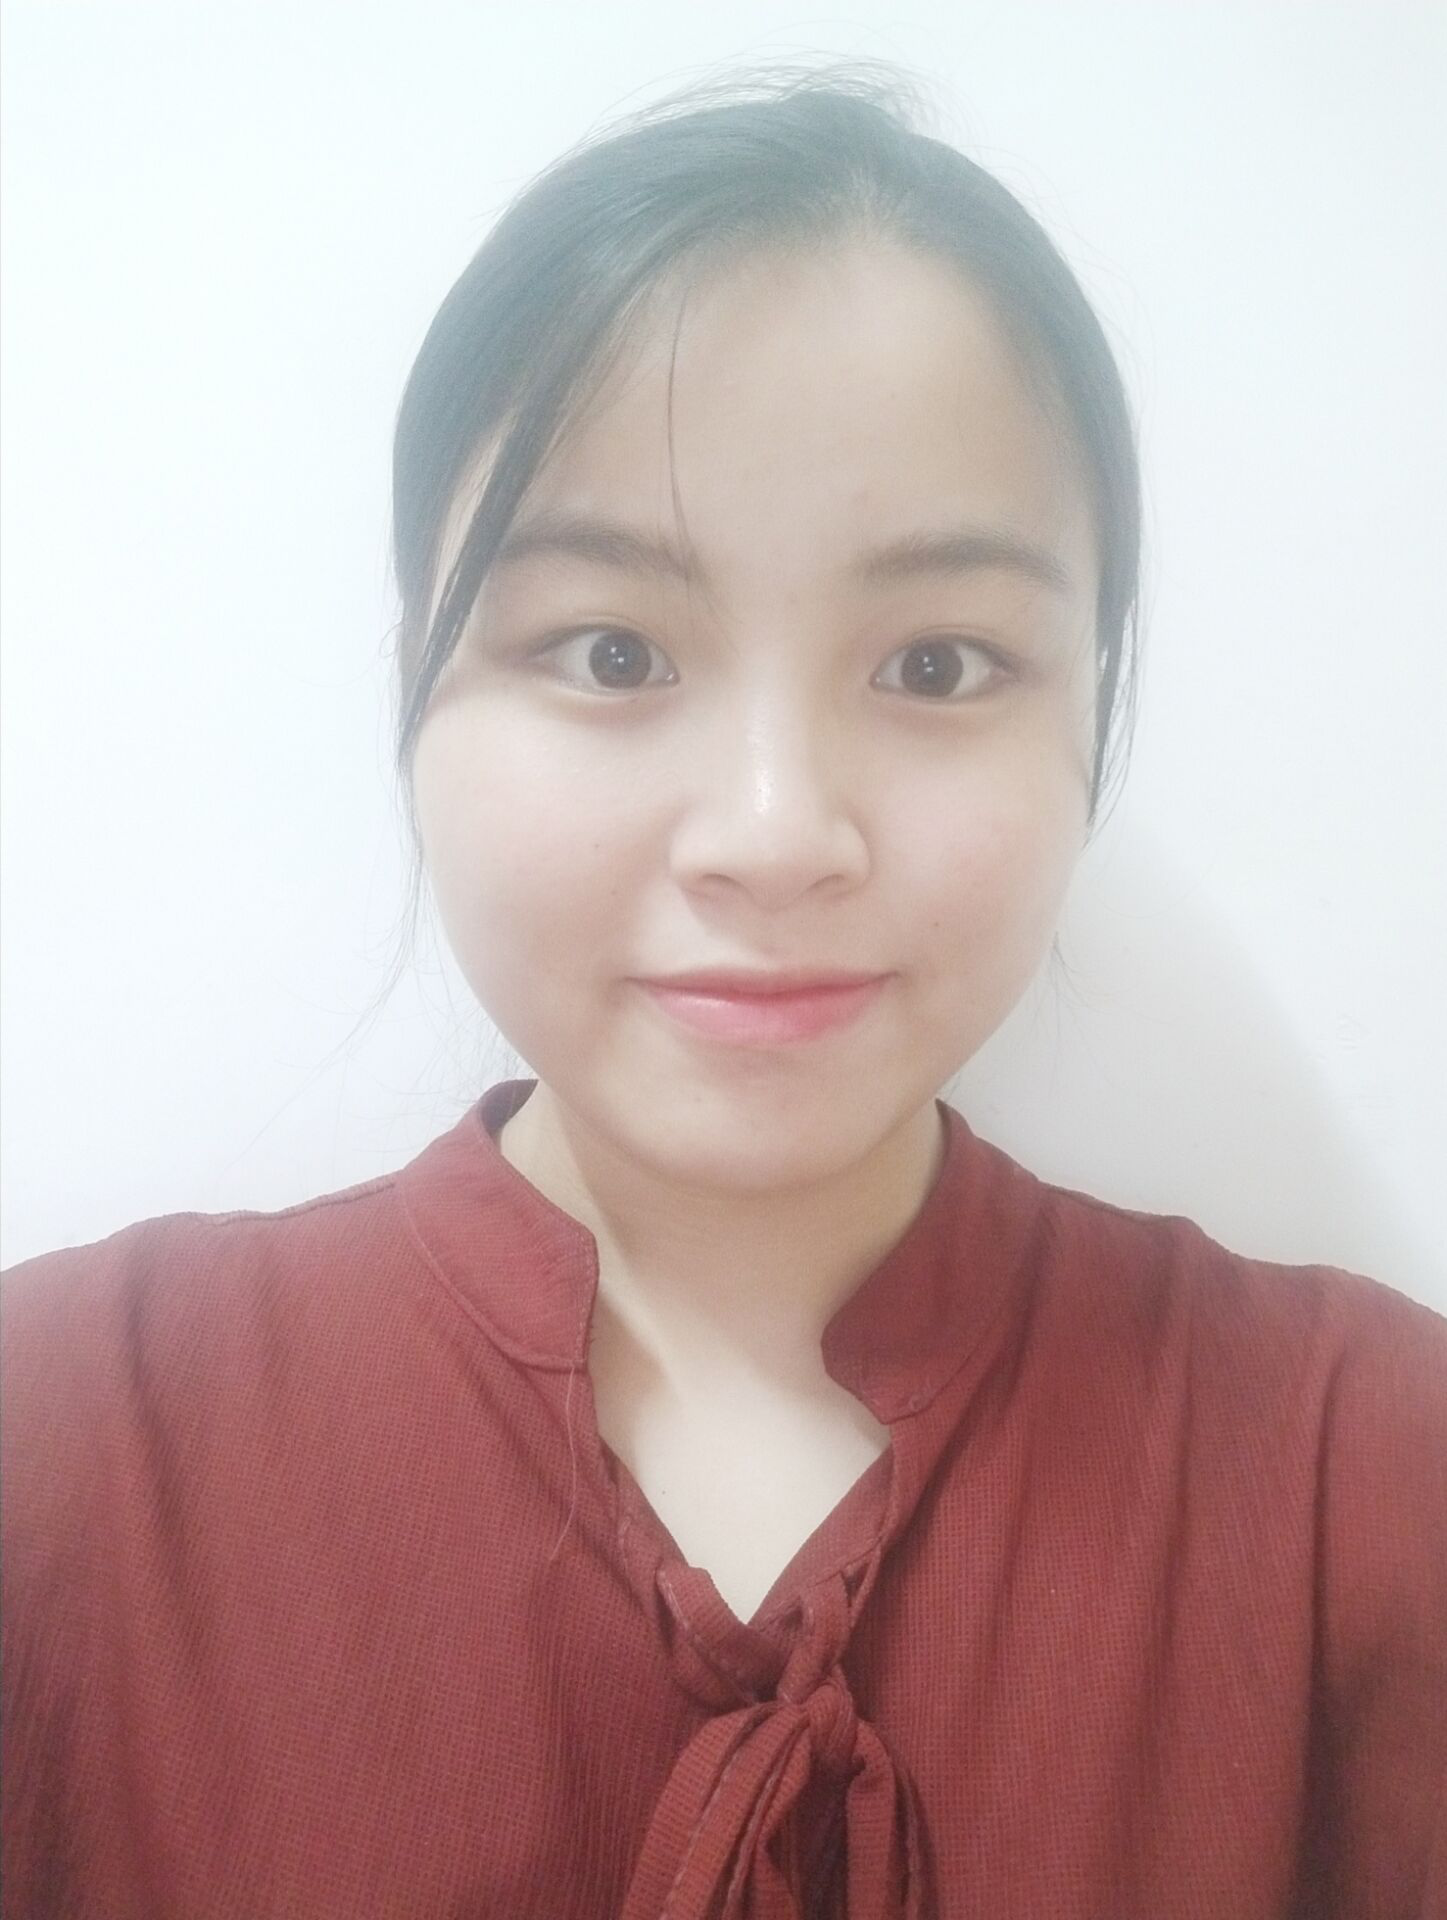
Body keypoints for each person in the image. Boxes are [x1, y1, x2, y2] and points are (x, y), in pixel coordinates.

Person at [2, 61, 1443, 1920]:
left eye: (936, 664)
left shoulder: (1362, 1475)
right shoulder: (62, 1449)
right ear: (413, 695)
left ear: (1088, 715)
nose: (774, 836)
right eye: (611, 650)